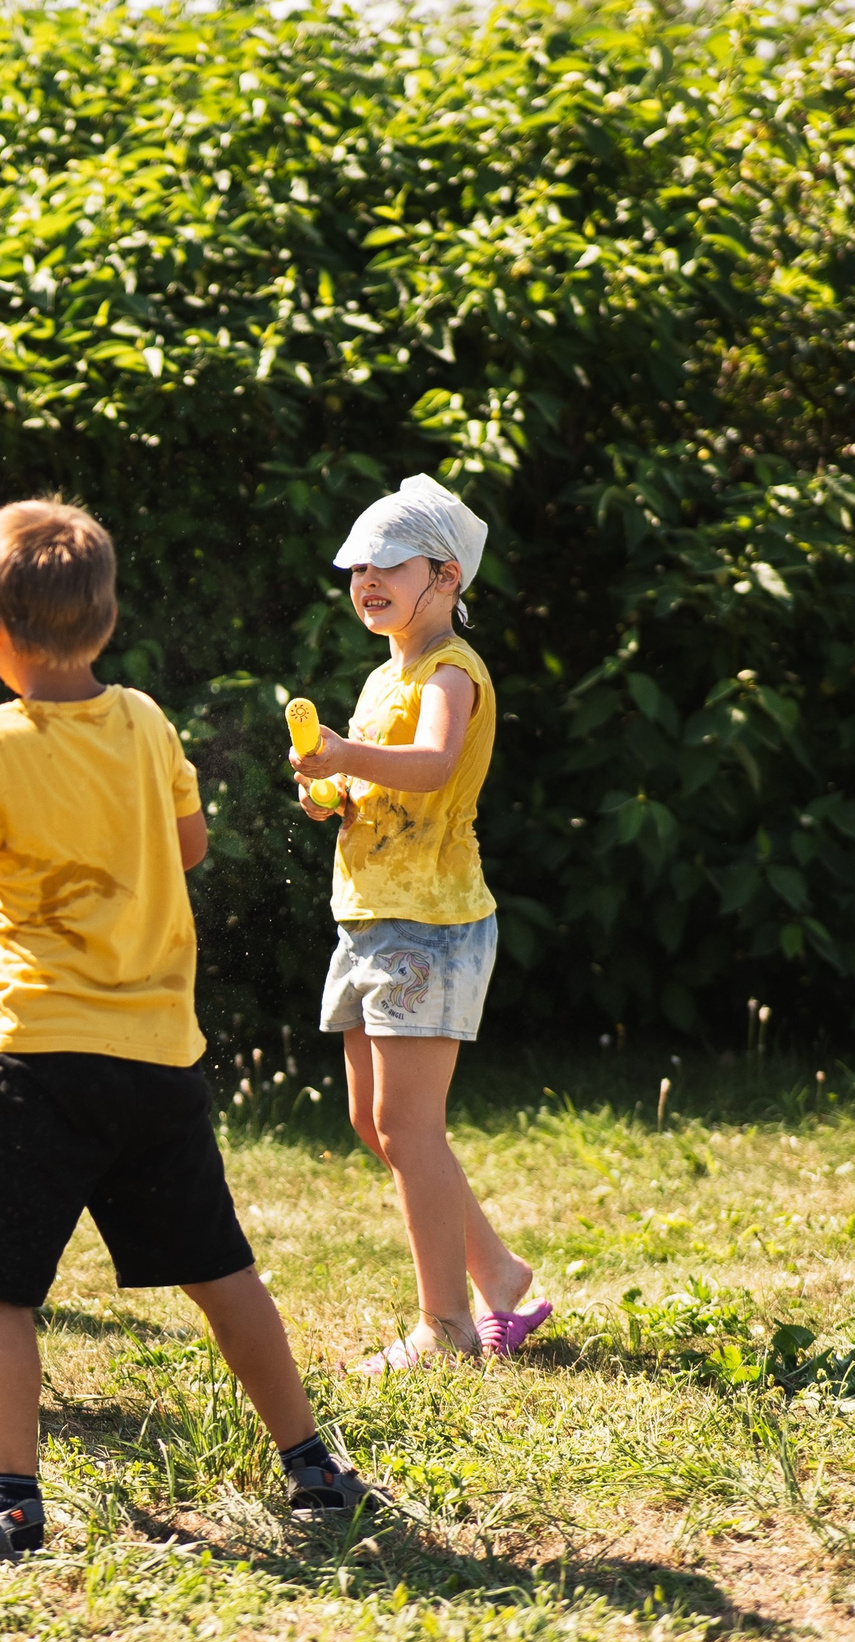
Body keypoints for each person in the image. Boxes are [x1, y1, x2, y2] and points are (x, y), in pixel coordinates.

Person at [0, 501, 379, 1561]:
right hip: (156, 1061)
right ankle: (313, 1467)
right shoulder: (144, 720)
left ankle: (7, 1500)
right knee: (220, 1272)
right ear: (102, 622)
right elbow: (189, 846)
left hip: (37, 1065)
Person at [290, 473, 548, 1373]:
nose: (366, 579)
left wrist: (344, 752)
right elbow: (379, 780)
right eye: (357, 567)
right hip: (370, 918)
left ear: (445, 576)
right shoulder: (382, 676)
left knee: (407, 1124)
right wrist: (332, 790)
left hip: (430, 925)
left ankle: (446, 1327)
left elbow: (434, 763)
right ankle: (500, 1273)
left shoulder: (450, 671)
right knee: (378, 1122)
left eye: (388, 564)